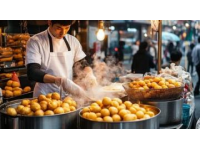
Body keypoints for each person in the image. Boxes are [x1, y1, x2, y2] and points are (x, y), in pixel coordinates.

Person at [26, 20, 97, 99]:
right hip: (44, 96)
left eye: (67, 28)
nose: (63, 33)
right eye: (59, 28)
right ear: (49, 22)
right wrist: (59, 81)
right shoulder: (35, 41)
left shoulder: (73, 41)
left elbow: (83, 64)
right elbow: (32, 72)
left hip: (67, 96)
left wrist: (90, 74)